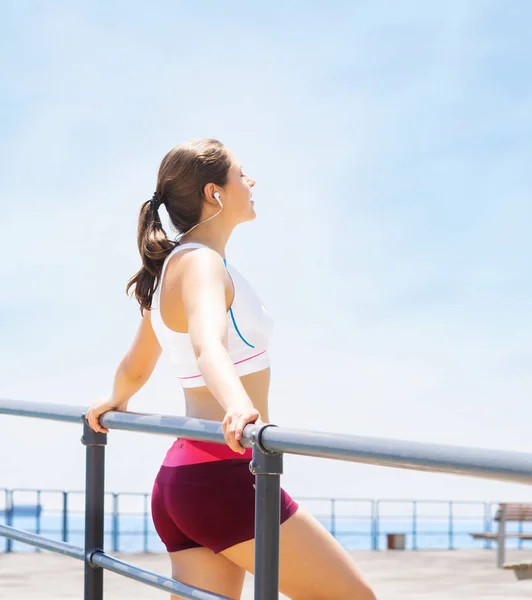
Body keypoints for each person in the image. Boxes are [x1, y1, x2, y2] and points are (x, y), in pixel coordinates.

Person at [86, 138, 376, 600]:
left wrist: (115, 400)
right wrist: (240, 407)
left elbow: (136, 366)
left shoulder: (169, 269)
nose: (252, 181)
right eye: (242, 174)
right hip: (225, 475)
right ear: (214, 193)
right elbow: (207, 346)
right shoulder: (200, 264)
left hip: (182, 481)